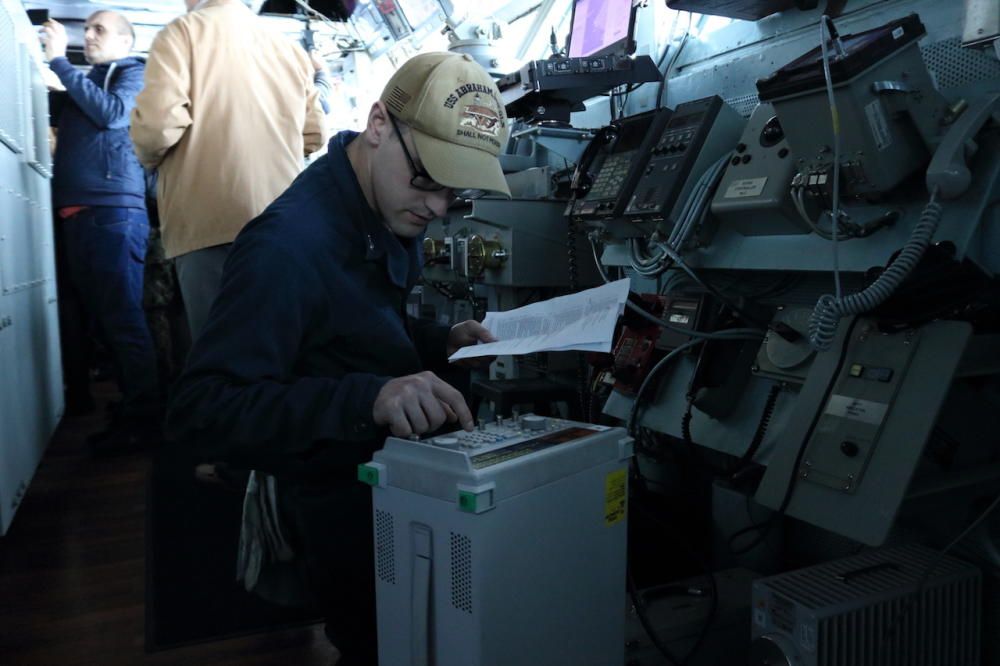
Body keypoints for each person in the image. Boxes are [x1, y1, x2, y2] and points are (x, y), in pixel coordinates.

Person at [165, 52, 510, 665]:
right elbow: (204, 410)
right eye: (428, 178)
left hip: (395, 487)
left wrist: (439, 344)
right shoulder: (287, 246)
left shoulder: (378, 203)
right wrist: (367, 397)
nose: (437, 207)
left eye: (455, 191)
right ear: (379, 123)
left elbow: (348, 329)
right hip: (344, 510)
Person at [129, 0, 326, 340]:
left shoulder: (182, 33)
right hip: (283, 222)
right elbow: (315, 134)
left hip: (208, 222)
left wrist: (148, 156)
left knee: (222, 357)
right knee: (281, 348)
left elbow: (157, 129)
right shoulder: (289, 49)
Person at [42, 12, 160, 451]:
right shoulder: (92, 81)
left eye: (99, 30)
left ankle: (143, 421)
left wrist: (59, 61)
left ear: (126, 41)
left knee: (123, 320)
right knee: (108, 323)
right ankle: (133, 406)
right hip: (85, 213)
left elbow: (113, 116)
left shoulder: (133, 71)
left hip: (111, 212)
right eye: (86, 28)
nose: (87, 35)